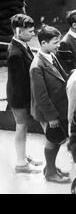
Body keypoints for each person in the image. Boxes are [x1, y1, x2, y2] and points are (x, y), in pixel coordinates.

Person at [30, 25, 70, 183]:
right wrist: (51, 118)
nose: (59, 45)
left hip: (58, 107)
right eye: (55, 42)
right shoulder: (36, 67)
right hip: (49, 112)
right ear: (43, 43)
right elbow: (41, 96)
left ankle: (51, 167)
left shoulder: (51, 56)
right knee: (53, 140)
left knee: (57, 139)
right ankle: (50, 173)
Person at [6, 14, 42, 174]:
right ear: (18, 31)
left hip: (20, 95)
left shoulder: (21, 44)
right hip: (19, 98)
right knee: (21, 127)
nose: (33, 34)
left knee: (23, 127)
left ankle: (23, 155)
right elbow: (19, 84)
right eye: (30, 32)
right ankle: (20, 163)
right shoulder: (16, 54)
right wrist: (28, 103)